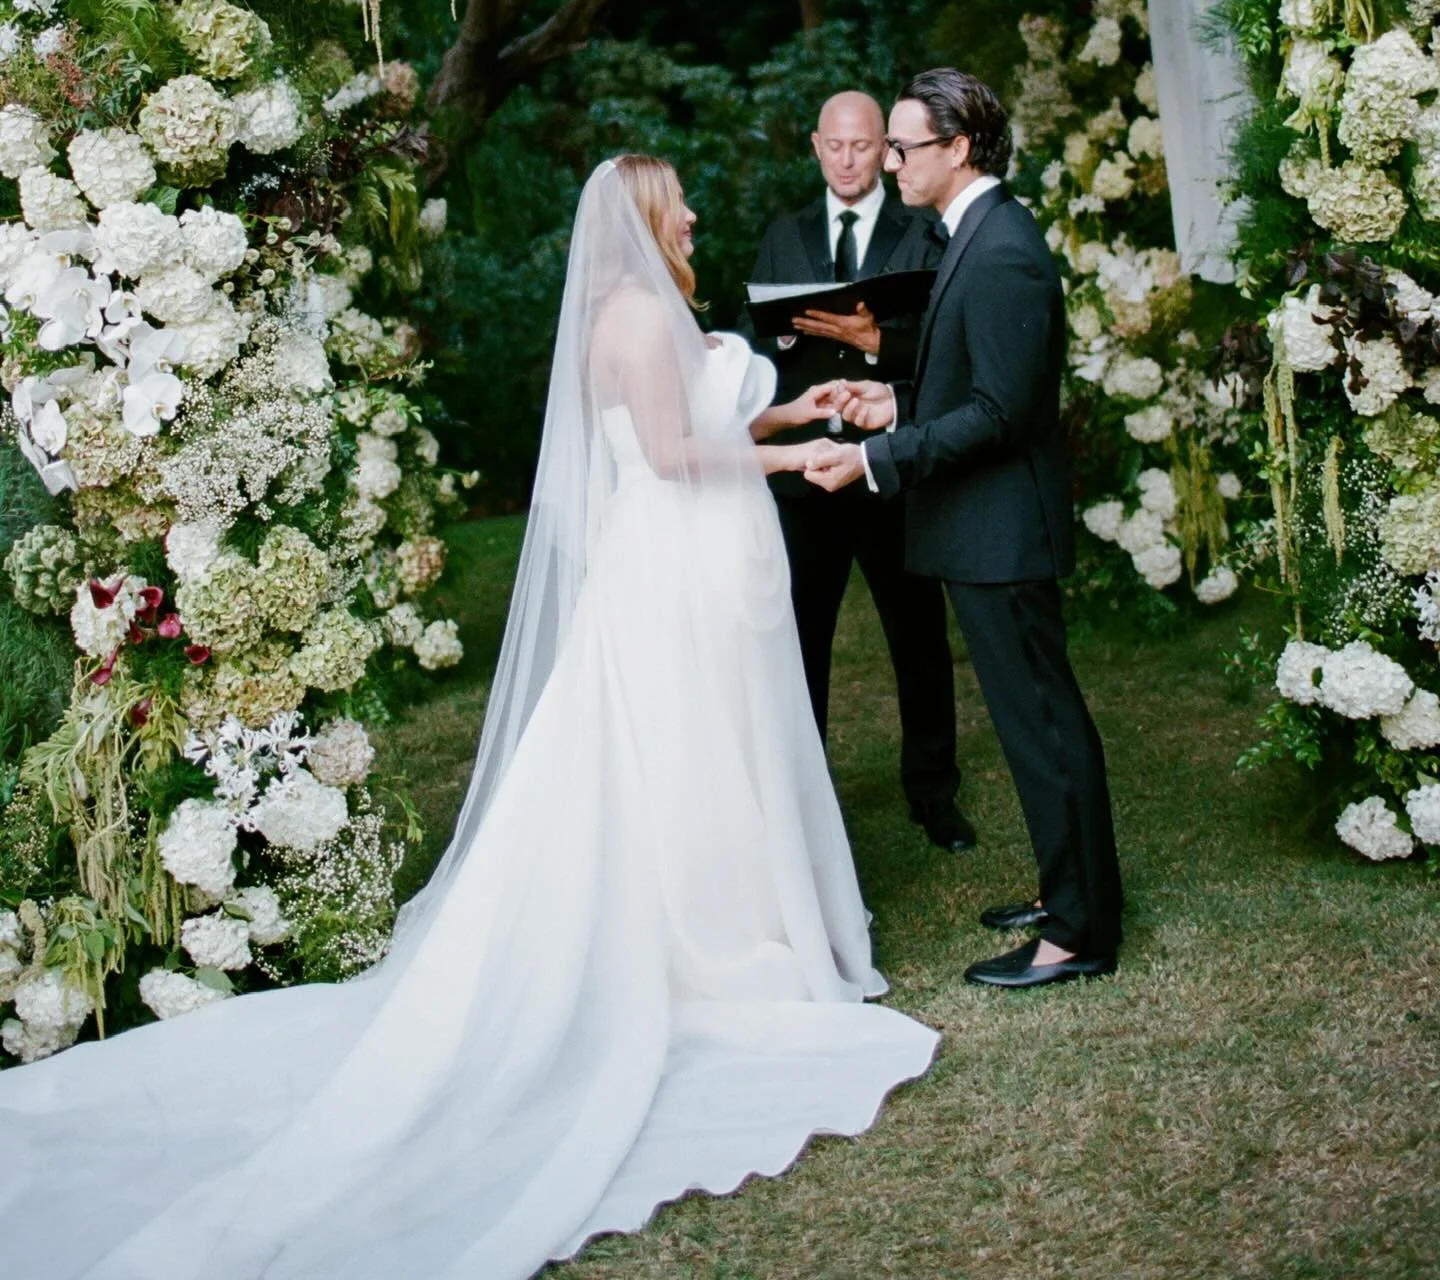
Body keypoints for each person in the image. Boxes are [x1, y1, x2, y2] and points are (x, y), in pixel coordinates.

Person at [0, 154, 936, 1279]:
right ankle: (710, 945)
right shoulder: (635, 317)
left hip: (697, 555)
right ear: (642, 218)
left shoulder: (648, 311)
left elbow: (692, 418)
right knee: (684, 749)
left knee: (718, 743)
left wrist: (794, 400)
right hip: (675, 562)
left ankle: (748, 920)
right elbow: (679, 456)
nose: (694, 207)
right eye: (677, 196)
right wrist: (802, 454)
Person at [806, 71, 1124, 991]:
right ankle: (1074, 894)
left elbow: (1000, 414)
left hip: (1003, 534)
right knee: (1037, 726)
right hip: (983, 532)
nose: (890, 163)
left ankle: (1078, 932)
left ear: (961, 149)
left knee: (1044, 728)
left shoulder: (1005, 250)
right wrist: (890, 399)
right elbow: (969, 380)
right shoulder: (976, 235)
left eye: (904, 147)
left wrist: (878, 460)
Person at [749, 90, 971, 853]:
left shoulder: (925, 231)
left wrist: (878, 342)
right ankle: (803, 800)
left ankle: (935, 795)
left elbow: (945, 345)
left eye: (863, 146)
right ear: (817, 146)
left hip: (888, 468)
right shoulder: (784, 235)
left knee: (917, 635)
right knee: (798, 639)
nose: (848, 159)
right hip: (805, 475)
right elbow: (760, 346)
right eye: (834, 146)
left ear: (885, 149)